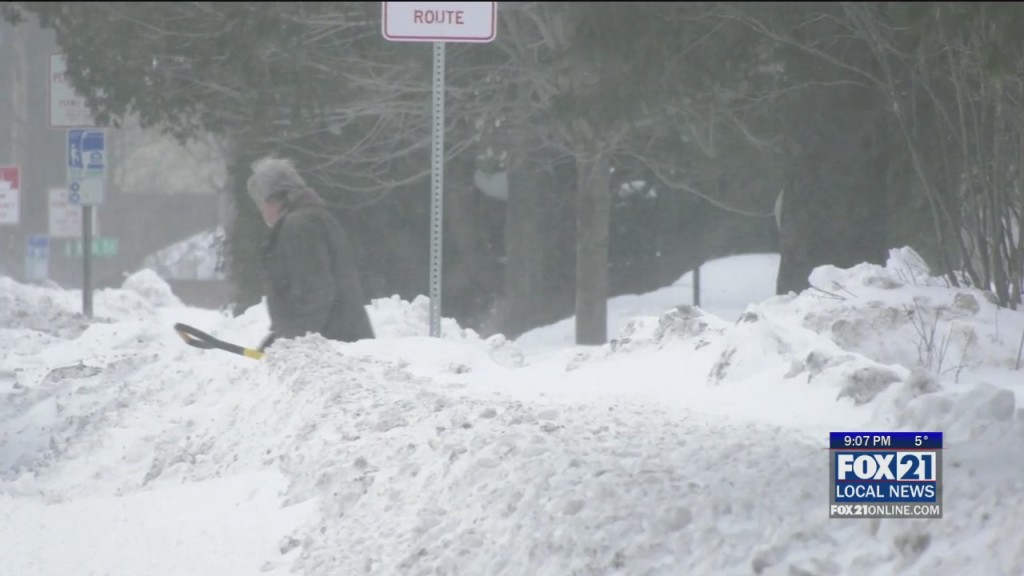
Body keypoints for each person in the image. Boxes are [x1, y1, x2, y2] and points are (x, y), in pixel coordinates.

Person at [246, 156, 375, 351]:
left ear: (271, 199)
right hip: (339, 340)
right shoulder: (313, 217)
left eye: (260, 204)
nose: (261, 211)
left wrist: (291, 343)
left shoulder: (299, 226)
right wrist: (280, 338)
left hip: (332, 347)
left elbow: (314, 293)